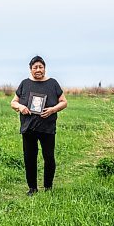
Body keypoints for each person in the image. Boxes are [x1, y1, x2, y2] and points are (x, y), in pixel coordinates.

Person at [11, 56, 68, 196]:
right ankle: (32, 188)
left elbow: (64, 102)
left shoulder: (53, 83)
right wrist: (20, 107)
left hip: (47, 128)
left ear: (44, 68)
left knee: (49, 158)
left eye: (40, 67)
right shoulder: (24, 84)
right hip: (28, 128)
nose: (38, 70)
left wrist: (53, 109)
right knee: (29, 158)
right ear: (30, 69)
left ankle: (48, 187)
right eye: (35, 67)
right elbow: (13, 102)